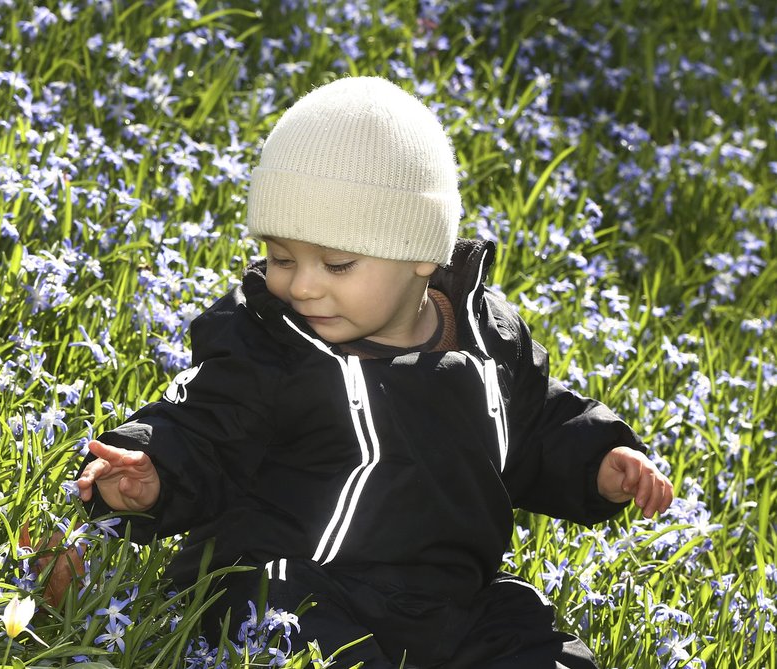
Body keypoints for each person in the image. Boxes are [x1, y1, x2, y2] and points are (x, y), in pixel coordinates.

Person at [75, 76, 674, 668]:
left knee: (532, 637)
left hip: (449, 601)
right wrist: (156, 468)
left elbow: (540, 426)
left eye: (336, 264)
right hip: (295, 580)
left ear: (422, 254)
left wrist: (599, 462)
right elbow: (205, 422)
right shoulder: (269, 342)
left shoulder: (491, 339)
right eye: (282, 257)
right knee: (274, 617)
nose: (302, 285)